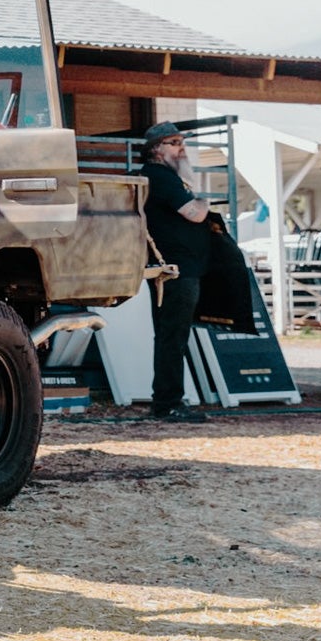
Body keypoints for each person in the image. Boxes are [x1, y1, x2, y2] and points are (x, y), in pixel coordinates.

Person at [138, 122, 211, 423]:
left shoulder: (164, 177)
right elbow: (194, 213)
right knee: (173, 335)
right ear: (157, 149)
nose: (181, 147)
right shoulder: (161, 177)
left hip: (174, 268)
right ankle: (168, 402)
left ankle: (166, 400)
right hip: (174, 270)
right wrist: (203, 194)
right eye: (173, 142)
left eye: (182, 141)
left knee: (170, 335)